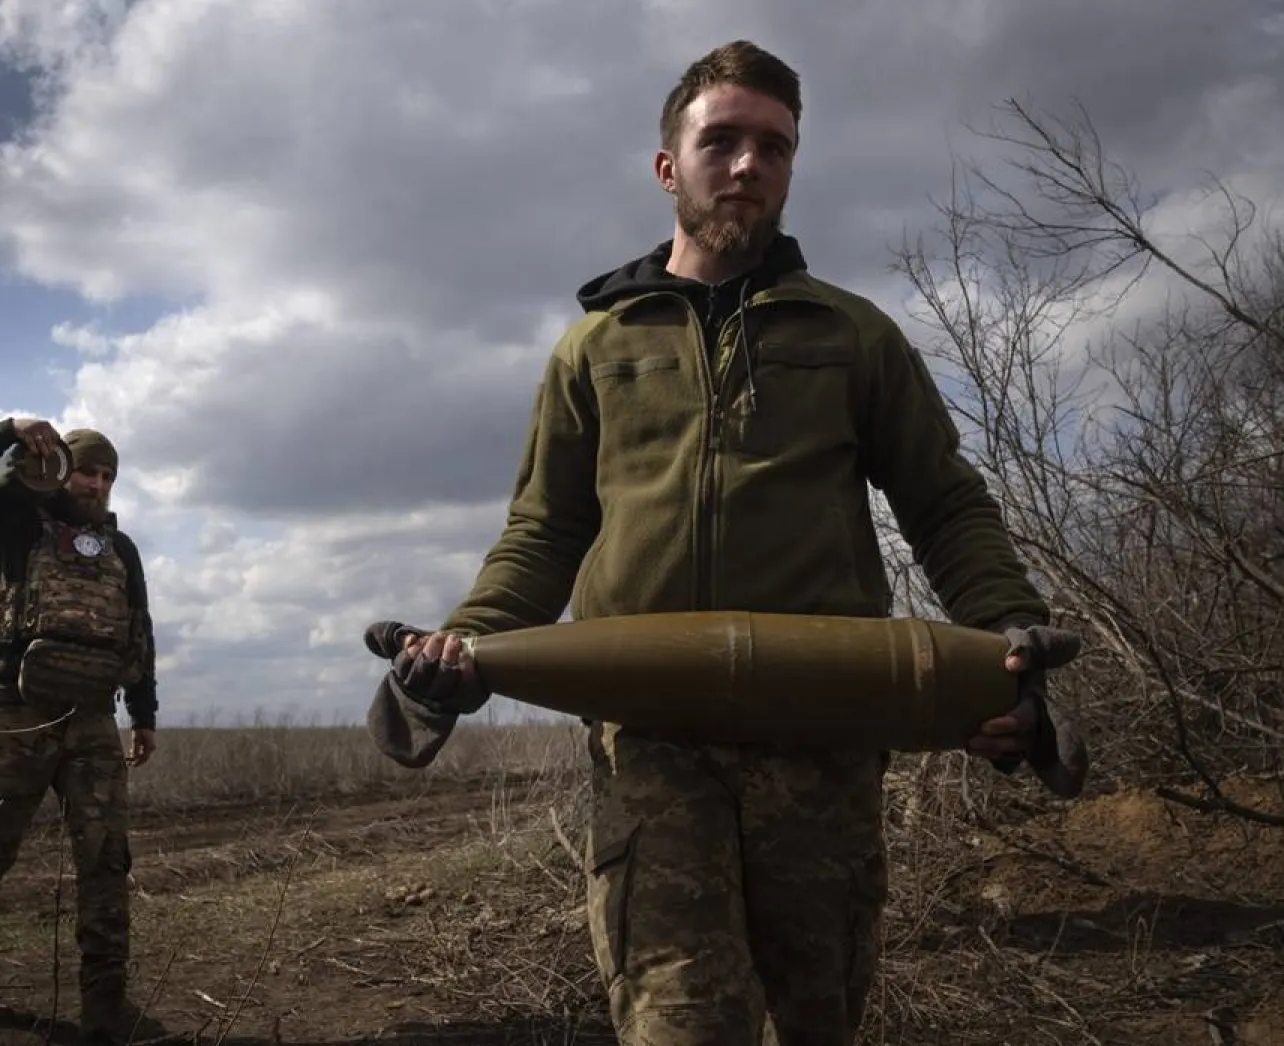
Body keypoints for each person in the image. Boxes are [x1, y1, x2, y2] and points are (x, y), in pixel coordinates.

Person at [364, 39, 1089, 1046]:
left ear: (791, 168)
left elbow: (945, 503)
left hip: (824, 736)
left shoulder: (855, 337)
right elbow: (544, 531)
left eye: (775, 147)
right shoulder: (593, 349)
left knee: (819, 1018)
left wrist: (1007, 637)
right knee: (680, 1022)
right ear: (671, 165)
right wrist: (463, 645)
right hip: (650, 743)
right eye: (723, 140)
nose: (749, 163)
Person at [0, 417, 161, 1045]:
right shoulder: (11, 520)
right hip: (14, 714)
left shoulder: (120, 548)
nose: (97, 483)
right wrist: (7, 432)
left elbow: (139, 630)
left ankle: (105, 1005)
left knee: (105, 860)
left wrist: (145, 713)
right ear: (60, 468)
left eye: (107, 475)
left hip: (94, 717)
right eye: (86, 470)